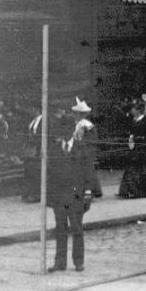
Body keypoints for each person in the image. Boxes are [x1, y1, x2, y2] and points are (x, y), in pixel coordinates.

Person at [47, 99, 102, 272]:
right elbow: (50, 174)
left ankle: (78, 261)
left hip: (76, 195)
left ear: (72, 129)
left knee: (77, 229)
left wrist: (88, 193)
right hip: (59, 196)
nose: (64, 132)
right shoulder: (54, 149)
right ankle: (60, 262)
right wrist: (49, 196)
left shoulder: (81, 148)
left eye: (67, 128)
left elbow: (88, 172)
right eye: (61, 128)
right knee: (60, 230)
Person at [118, 98, 146, 199]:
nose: (131, 111)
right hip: (135, 149)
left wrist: (141, 139)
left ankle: (140, 191)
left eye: (133, 109)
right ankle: (129, 190)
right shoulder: (133, 121)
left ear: (138, 110)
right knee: (132, 169)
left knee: (140, 170)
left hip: (144, 151)